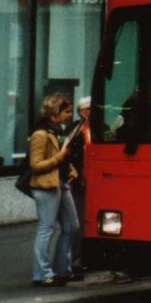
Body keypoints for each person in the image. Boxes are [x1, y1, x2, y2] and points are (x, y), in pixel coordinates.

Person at [28, 93, 80, 287]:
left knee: (71, 226)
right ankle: (42, 274)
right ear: (56, 112)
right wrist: (60, 158)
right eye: (66, 111)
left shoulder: (56, 131)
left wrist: (71, 169)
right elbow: (36, 165)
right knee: (46, 229)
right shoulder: (40, 134)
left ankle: (61, 270)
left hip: (60, 183)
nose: (69, 115)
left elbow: (63, 158)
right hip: (46, 186)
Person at [66, 96, 91, 273]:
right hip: (79, 180)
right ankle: (75, 258)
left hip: (94, 180)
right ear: (83, 111)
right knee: (78, 220)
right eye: (90, 108)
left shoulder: (96, 128)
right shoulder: (76, 130)